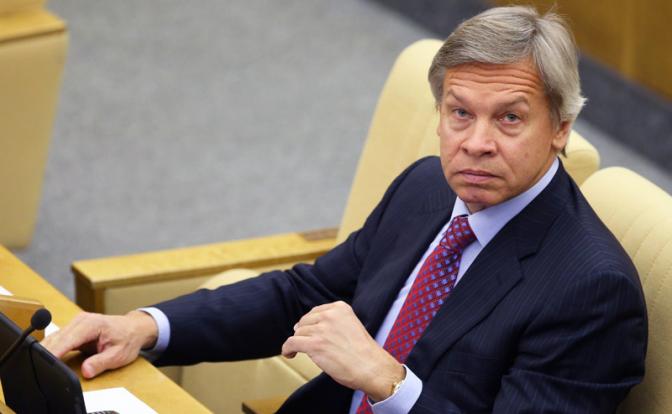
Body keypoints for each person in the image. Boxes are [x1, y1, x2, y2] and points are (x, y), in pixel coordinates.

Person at [43, 5, 647, 413]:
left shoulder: (593, 292)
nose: (476, 143)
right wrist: (145, 327)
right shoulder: (428, 187)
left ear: (561, 127)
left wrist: (386, 380)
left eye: (509, 118)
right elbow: (305, 295)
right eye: (460, 113)